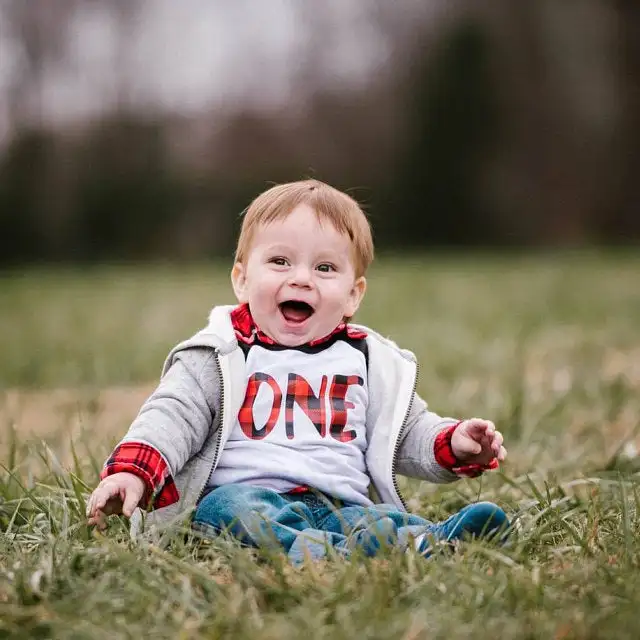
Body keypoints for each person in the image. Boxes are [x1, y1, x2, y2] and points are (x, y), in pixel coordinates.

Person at [86, 179, 509, 564]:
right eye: (280, 261)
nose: (302, 278)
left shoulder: (367, 361)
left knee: (376, 518)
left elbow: (407, 430)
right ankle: (327, 553)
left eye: (325, 268)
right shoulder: (222, 353)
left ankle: (423, 540)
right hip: (250, 497)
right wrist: (132, 471)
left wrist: (453, 443)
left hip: (341, 506)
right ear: (241, 280)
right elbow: (172, 416)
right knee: (229, 510)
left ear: (353, 294)